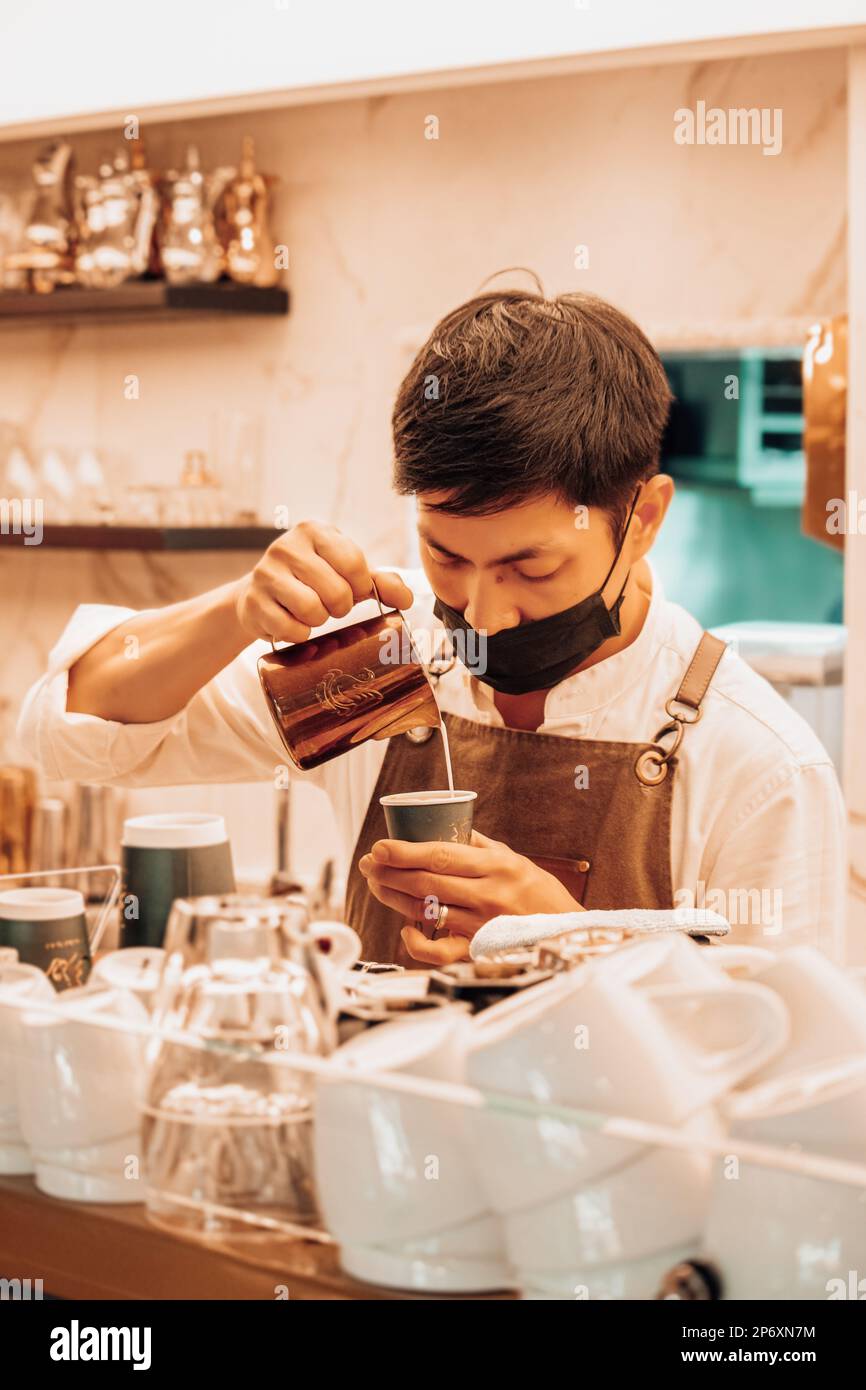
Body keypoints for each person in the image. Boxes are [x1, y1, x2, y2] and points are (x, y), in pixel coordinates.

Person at [18, 288, 846, 967]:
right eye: (446, 556)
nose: (482, 616)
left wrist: (574, 943)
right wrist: (236, 613)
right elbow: (80, 729)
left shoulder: (755, 763)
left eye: (532, 568)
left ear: (644, 518)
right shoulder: (391, 661)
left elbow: (787, 1084)